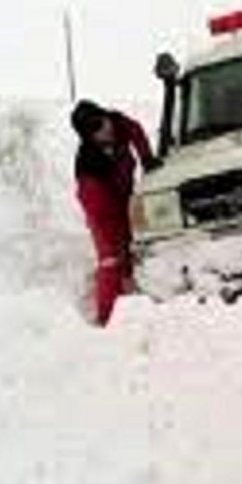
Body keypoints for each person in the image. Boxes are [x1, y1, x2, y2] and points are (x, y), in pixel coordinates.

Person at [71, 99, 160, 325]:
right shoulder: (88, 164)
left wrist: (146, 158)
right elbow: (100, 208)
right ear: (89, 137)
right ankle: (107, 318)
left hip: (124, 197)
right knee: (111, 259)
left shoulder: (117, 123)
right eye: (98, 129)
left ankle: (130, 292)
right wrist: (120, 225)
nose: (106, 129)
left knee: (132, 248)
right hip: (102, 211)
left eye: (104, 122)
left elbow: (136, 131)